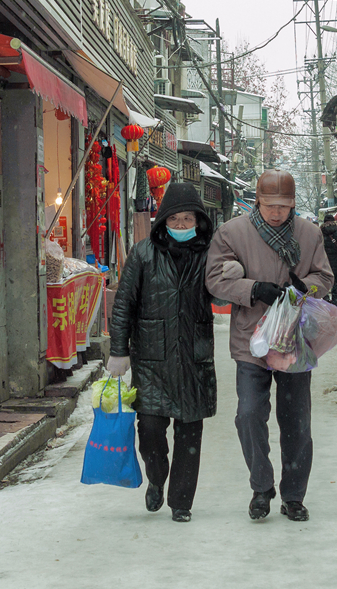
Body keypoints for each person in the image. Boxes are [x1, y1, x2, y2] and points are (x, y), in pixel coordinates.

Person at [205, 169, 334, 522]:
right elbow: (214, 279)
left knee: (296, 422)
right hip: (252, 339)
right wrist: (253, 289)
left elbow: (325, 276)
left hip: (294, 340)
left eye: (284, 205)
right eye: (270, 205)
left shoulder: (309, 233)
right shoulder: (232, 233)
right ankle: (261, 487)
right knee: (248, 415)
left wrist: (299, 289)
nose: (277, 212)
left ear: (293, 203)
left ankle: (293, 495)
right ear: (257, 201)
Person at [106, 182, 217, 523]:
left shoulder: (211, 254)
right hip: (152, 359)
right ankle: (156, 477)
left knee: (190, 434)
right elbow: (123, 304)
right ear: (163, 220)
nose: (182, 226)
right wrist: (119, 350)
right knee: (151, 431)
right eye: (176, 219)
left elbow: (224, 294)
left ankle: (181, 501)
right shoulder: (143, 254)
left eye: (188, 219)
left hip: (193, 359)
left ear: (198, 221)